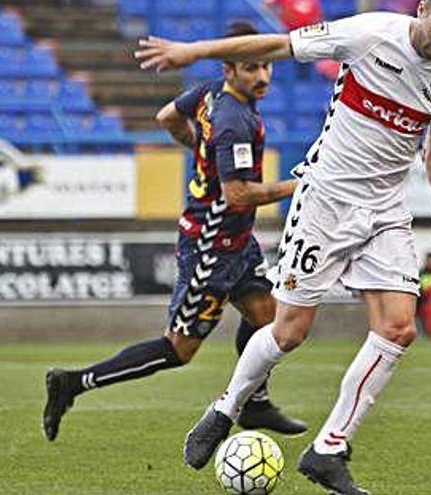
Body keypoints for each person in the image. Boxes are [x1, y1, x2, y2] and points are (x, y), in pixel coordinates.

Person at [134, 1, 431, 493]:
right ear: (424, 8)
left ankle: (329, 449)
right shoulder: (369, 34)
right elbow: (275, 45)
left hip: (385, 212)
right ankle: (226, 407)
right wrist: (195, 50)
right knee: (289, 331)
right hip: (325, 203)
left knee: (399, 329)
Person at [42, 23, 307, 442]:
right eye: (252, 67)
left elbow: (168, 117)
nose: (263, 76)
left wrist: (203, 154)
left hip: (236, 241)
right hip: (211, 244)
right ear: (229, 69)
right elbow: (238, 194)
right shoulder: (235, 120)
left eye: (267, 66)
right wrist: (303, 183)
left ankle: (254, 405)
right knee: (178, 350)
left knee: (265, 317)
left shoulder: (208, 94)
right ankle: (73, 383)